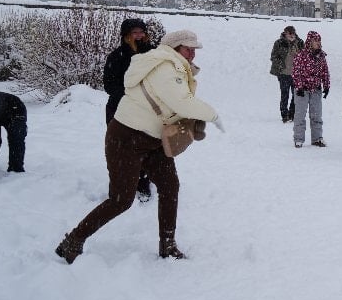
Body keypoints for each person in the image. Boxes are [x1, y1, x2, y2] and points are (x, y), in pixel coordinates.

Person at [56, 29, 222, 264]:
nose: (193, 53)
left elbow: (171, 105)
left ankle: (168, 245)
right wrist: (212, 115)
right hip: (126, 138)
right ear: (175, 48)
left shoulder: (176, 66)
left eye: (194, 49)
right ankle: (73, 240)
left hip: (153, 139)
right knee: (121, 200)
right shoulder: (165, 67)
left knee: (169, 186)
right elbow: (180, 101)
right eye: (188, 48)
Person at [103, 17, 153, 202]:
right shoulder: (116, 57)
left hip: (146, 110)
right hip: (119, 109)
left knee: (143, 149)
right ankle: (117, 187)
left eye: (142, 32)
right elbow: (109, 85)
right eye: (135, 32)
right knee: (118, 150)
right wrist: (131, 92)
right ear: (126, 36)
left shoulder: (153, 54)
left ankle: (142, 184)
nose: (139, 36)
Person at [290, 30, 331, 148]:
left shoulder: (321, 56)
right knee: (300, 115)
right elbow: (296, 72)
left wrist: (326, 85)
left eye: (319, 40)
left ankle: (317, 138)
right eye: (315, 40)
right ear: (309, 42)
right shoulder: (301, 56)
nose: (318, 43)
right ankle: (298, 139)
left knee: (317, 115)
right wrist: (299, 87)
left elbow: (325, 71)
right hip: (302, 90)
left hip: (316, 89)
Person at [270, 26, 304, 122]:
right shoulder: (279, 43)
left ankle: (292, 114)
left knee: (296, 95)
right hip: (283, 74)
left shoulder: (300, 42)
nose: (292, 35)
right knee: (284, 95)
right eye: (289, 33)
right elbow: (273, 56)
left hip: (296, 74)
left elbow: (305, 56)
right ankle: (284, 115)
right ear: (285, 33)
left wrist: (298, 54)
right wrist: (281, 65)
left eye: (293, 33)